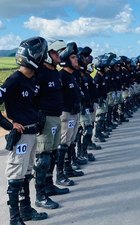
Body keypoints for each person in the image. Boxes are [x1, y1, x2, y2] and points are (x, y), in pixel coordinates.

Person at [0, 36, 48, 225]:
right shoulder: (14, 80)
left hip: (32, 133)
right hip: (20, 136)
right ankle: (14, 218)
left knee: (27, 173)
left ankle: (26, 209)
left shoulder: (32, 80)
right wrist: (9, 125)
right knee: (16, 175)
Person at [34, 39, 70, 210]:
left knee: (53, 154)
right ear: (48, 55)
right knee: (43, 157)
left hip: (56, 117)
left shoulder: (55, 72)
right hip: (45, 119)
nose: (59, 55)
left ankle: (49, 185)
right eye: (56, 53)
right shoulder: (39, 73)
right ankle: (40, 195)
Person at [57, 42, 84, 186]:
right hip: (66, 115)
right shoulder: (61, 76)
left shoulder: (72, 75)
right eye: (73, 57)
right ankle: (60, 174)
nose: (76, 60)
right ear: (66, 60)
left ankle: (69, 168)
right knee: (63, 144)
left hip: (74, 113)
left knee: (71, 141)